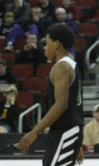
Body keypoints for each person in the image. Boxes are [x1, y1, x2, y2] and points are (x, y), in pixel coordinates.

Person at [18, 24, 84, 165]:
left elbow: (61, 104)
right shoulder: (72, 64)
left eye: (47, 44)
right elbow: (76, 103)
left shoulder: (62, 67)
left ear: (57, 44)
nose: (44, 48)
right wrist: (76, 138)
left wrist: (34, 132)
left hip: (66, 132)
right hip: (67, 132)